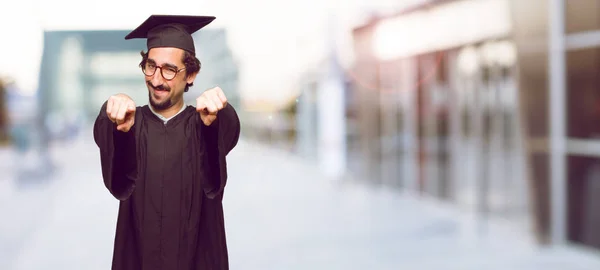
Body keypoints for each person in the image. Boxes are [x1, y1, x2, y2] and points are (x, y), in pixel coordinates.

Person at [93, 15, 241, 270]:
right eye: (150, 66)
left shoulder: (204, 124)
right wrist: (112, 114)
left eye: (169, 69)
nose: (157, 79)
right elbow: (108, 148)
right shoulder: (130, 124)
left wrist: (219, 115)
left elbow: (228, 132)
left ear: (191, 74)